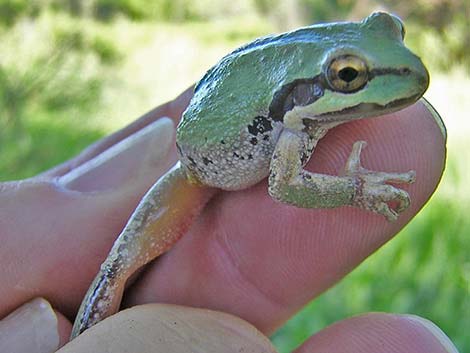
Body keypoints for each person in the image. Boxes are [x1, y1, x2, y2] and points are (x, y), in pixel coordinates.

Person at [0, 88, 457, 353]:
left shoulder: (299, 125)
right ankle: (82, 339)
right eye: (348, 78)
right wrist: (356, 188)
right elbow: (285, 186)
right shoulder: (292, 130)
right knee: (117, 267)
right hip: (196, 165)